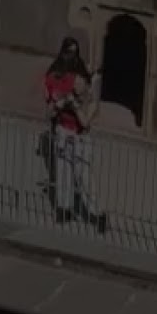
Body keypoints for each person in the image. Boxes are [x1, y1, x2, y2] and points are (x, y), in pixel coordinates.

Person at [44, 42, 104, 228]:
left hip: (81, 138)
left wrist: (75, 105)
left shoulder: (90, 101)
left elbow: (85, 122)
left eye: (80, 81)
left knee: (83, 176)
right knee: (63, 172)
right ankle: (64, 209)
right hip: (63, 131)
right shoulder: (62, 86)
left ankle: (97, 214)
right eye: (75, 81)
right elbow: (49, 113)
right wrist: (58, 105)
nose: (76, 84)